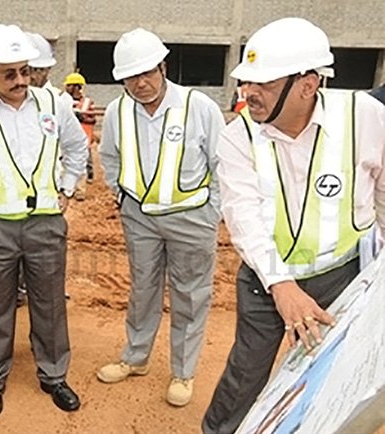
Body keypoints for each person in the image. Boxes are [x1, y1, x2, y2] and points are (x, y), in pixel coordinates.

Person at [202, 17, 385, 433]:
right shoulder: (238, 137)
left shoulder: (365, 117)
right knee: (246, 372)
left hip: (342, 277)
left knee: (331, 371)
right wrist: (281, 286)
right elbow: (244, 218)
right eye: (246, 81)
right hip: (265, 281)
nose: (247, 93)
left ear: (307, 84)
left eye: (262, 83)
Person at [0, 23, 87, 418]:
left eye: (25, 71)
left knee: (50, 304)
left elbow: (77, 147)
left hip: (45, 224)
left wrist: (67, 188)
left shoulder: (53, 104)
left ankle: (54, 375)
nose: (21, 81)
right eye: (10, 74)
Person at [96, 28, 224, 407]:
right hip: (139, 218)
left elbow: (222, 164)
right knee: (143, 289)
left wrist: (212, 213)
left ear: (163, 67)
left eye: (147, 73)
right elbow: (109, 158)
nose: (140, 83)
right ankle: (135, 358)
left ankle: (183, 372)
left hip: (192, 217)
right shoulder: (117, 112)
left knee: (190, 294)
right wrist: (123, 198)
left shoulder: (199, 108)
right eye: (131, 77)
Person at [64, 71, 96, 199]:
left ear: (77, 87)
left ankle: (79, 190)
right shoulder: (62, 101)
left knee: (81, 163)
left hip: (83, 138)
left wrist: (81, 117)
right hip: (66, 138)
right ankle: (67, 188)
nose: (66, 88)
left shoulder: (87, 102)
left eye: (69, 85)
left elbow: (92, 119)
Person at [26, 32, 74, 108]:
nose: (33, 76)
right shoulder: (9, 101)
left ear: (48, 69)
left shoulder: (61, 100)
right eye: (27, 70)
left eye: (39, 70)